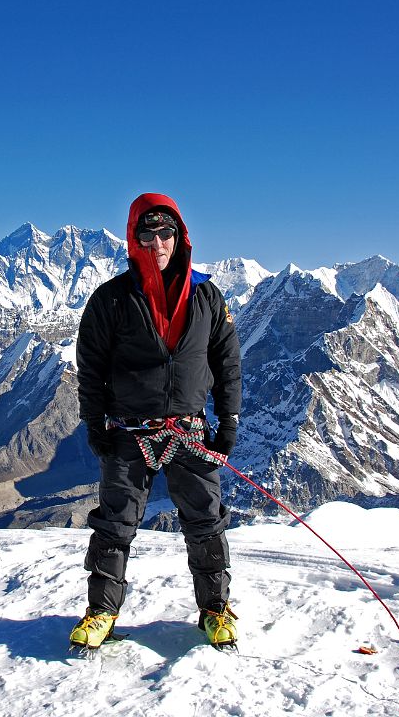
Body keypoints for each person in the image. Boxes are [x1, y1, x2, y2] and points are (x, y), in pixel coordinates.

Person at [70, 192, 242, 650]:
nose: (158, 242)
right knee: (115, 523)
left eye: (167, 233)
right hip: (129, 429)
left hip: (189, 429)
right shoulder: (112, 299)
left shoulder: (207, 295)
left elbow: (227, 363)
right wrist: (94, 421)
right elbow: (90, 365)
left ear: (180, 237)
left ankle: (215, 609)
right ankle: (101, 612)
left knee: (205, 521)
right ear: (134, 238)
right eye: (148, 233)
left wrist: (229, 422)